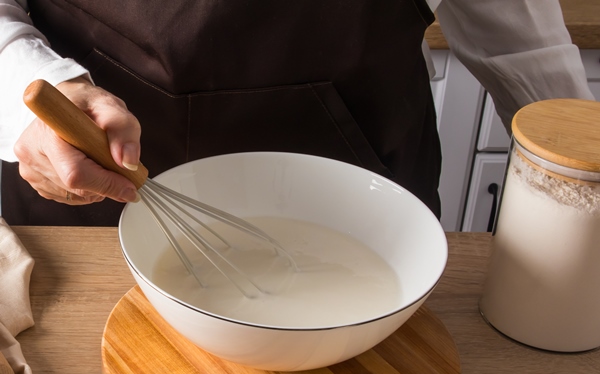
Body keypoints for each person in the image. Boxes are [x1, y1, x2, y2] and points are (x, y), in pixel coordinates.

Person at [0, 0, 594, 226]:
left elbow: (521, 46)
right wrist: (34, 82)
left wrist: (589, 180)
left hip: (362, 216)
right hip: (86, 205)